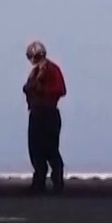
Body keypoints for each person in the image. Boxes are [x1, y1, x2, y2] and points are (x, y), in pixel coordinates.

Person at [22, 41, 67, 192]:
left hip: (48, 113)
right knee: (35, 150)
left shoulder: (52, 70)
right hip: (36, 114)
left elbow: (60, 90)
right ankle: (39, 182)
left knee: (51, 149)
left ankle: (57, 183)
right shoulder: (35, 72)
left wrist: (40, 89)